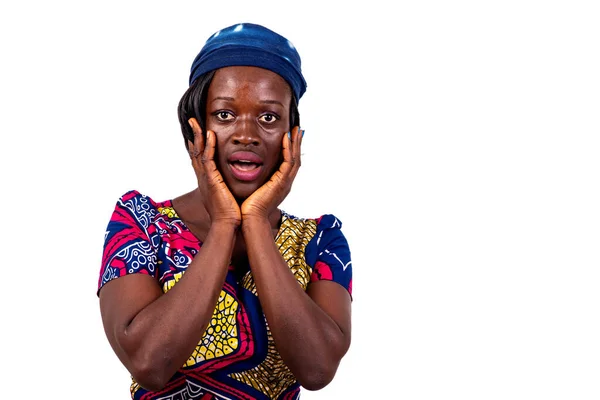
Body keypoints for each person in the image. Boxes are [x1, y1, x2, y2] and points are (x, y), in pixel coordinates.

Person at [97, 22, 353, 400]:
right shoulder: (141, 223)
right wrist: (223, 225)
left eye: (268, 118)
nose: (246, 134)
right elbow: (149, 363)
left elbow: (317, 369)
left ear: (291, 136)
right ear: (195, 126)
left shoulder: (321, 241)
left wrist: (255, 224)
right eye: (225, 115)